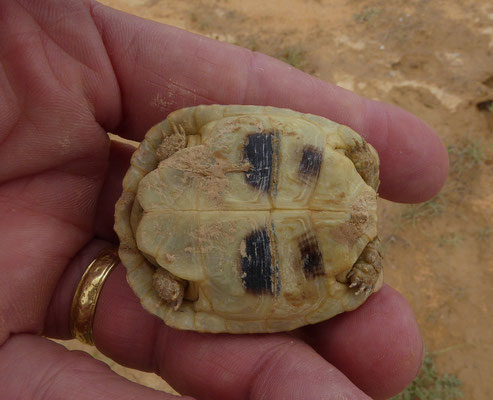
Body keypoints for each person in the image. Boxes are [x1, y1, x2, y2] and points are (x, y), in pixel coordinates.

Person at [0, 1, 448, 399]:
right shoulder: (348, 236)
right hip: (182, 246)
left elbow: (195, 135)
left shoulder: (351, 169)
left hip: (178, 218)